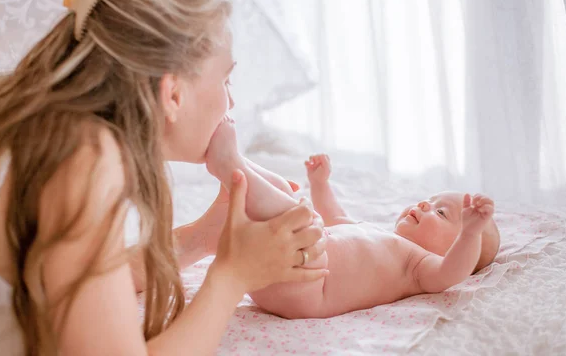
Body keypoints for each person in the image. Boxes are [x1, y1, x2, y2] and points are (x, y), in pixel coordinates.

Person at [0, 0, 328, 355]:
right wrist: (232, 277)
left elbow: (87, 279)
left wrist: (205, 236)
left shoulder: (40, 123)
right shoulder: (84, 161)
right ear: (173, 94)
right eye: (225, 79)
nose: (231, 102)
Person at [205, 119, 501, 319]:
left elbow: (452, 272)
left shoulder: (419, 265)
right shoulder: (376, 233)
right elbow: (335, 216)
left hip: (306, 287)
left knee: (296, 216)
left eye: (440, 212)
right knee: (285, 193)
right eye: (432, 199)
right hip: (270, 267)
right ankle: (237, 174)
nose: (425, 203)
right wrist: (320, 184)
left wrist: (471, 234)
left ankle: (231, 166)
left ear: (453, 248)